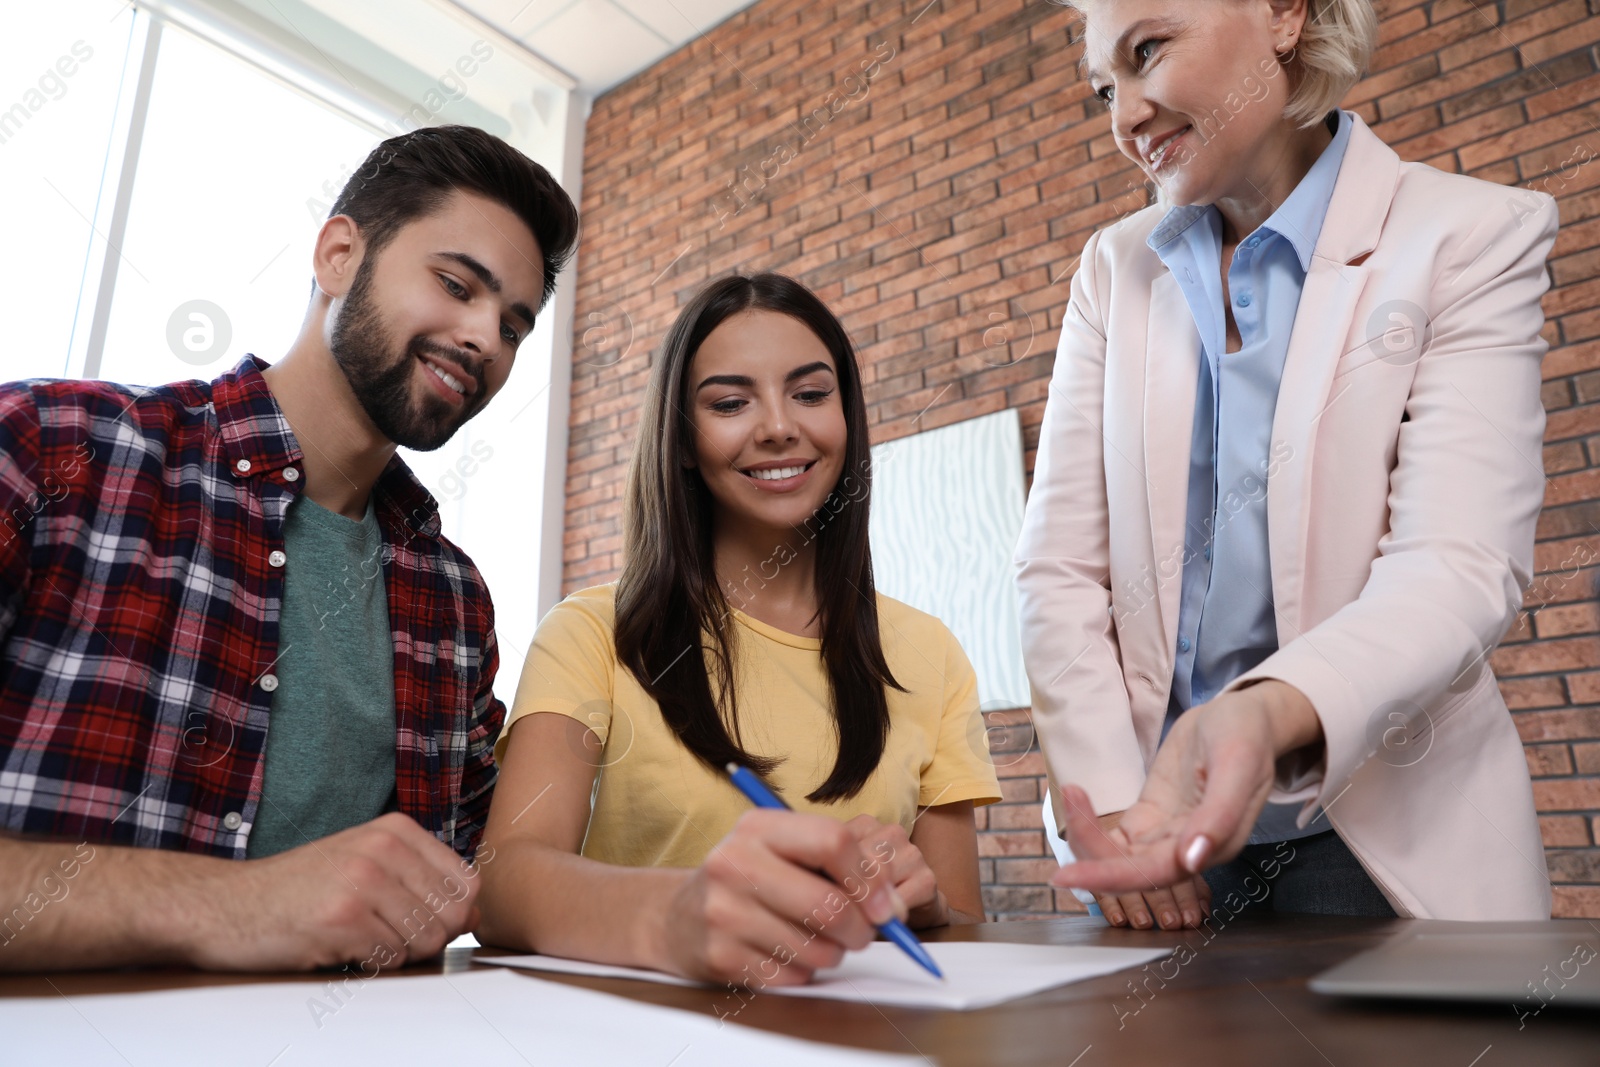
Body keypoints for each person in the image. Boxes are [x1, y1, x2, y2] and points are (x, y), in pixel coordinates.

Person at [1018, 0, 1558, 926]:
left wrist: (1266, 713)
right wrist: (1110, 796)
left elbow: (1457, 565)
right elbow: (1057, 567)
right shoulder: (1115, 270)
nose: (1125, 116)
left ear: (1281, 14)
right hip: (1153, 845)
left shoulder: (1469, 235)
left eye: (1149, 52)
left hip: (1381, 846)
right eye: (1105, 87)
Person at [0, 125, 579, 970]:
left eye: (514, 327)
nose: (486, 339)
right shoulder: (49, 449)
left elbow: (497, 877)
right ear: (339, 253)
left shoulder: (453, 597)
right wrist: (233, 903)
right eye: (457, 284)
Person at [477, 273, 1001, 988]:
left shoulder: (930, 652)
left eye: (812, 394)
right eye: (729, 402)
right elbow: (503, 881)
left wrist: (926, 898)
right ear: (684, 441)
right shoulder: (591, 633)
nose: (780, 425)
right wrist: (676, 911)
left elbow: (967, 924)